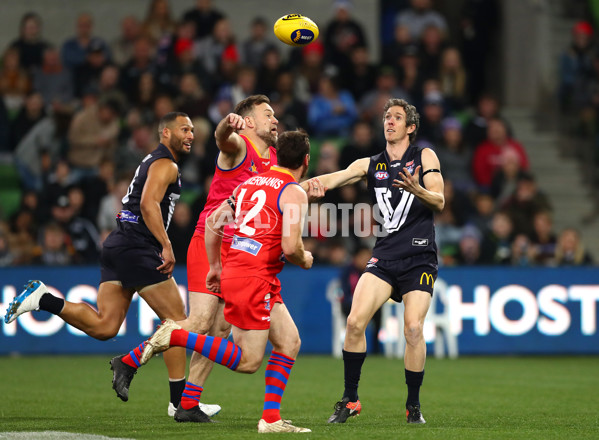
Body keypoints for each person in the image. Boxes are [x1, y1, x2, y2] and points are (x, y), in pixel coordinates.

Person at [114, 130, 314, 433]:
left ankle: (270, 419)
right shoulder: (293, 192)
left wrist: (216, 266)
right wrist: (305, 257)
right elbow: (290, 247)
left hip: (240, 269)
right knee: (248, 361)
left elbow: (214, 219)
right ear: (306, 160)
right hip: (254, 277)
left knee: (289, 342)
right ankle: (177, 336)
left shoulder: (250, 183)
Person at [4, 112, 194, 408]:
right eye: (184, 129)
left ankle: (43, 300)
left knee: (105, 327)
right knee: (176, 321)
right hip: (138, 247)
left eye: (192, 130)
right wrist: (166, 245)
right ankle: (181, 403)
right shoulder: (166, 164)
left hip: (118, 244)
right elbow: (147, 204)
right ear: (165, 133)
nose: (191, 135)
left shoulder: (151, 161)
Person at [307, 98, 444, 424]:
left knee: (412, 328)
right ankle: (350, 399)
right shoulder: (370, 164)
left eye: (397, 117)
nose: (390, 122)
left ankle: (413, 406)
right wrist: (290, 190)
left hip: (419, 259)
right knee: (354, 323)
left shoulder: (424, 156)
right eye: (387, 117)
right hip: (384, 257)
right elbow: (332, 179)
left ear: (411, 127)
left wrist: (417, 189)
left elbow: (439, 200)